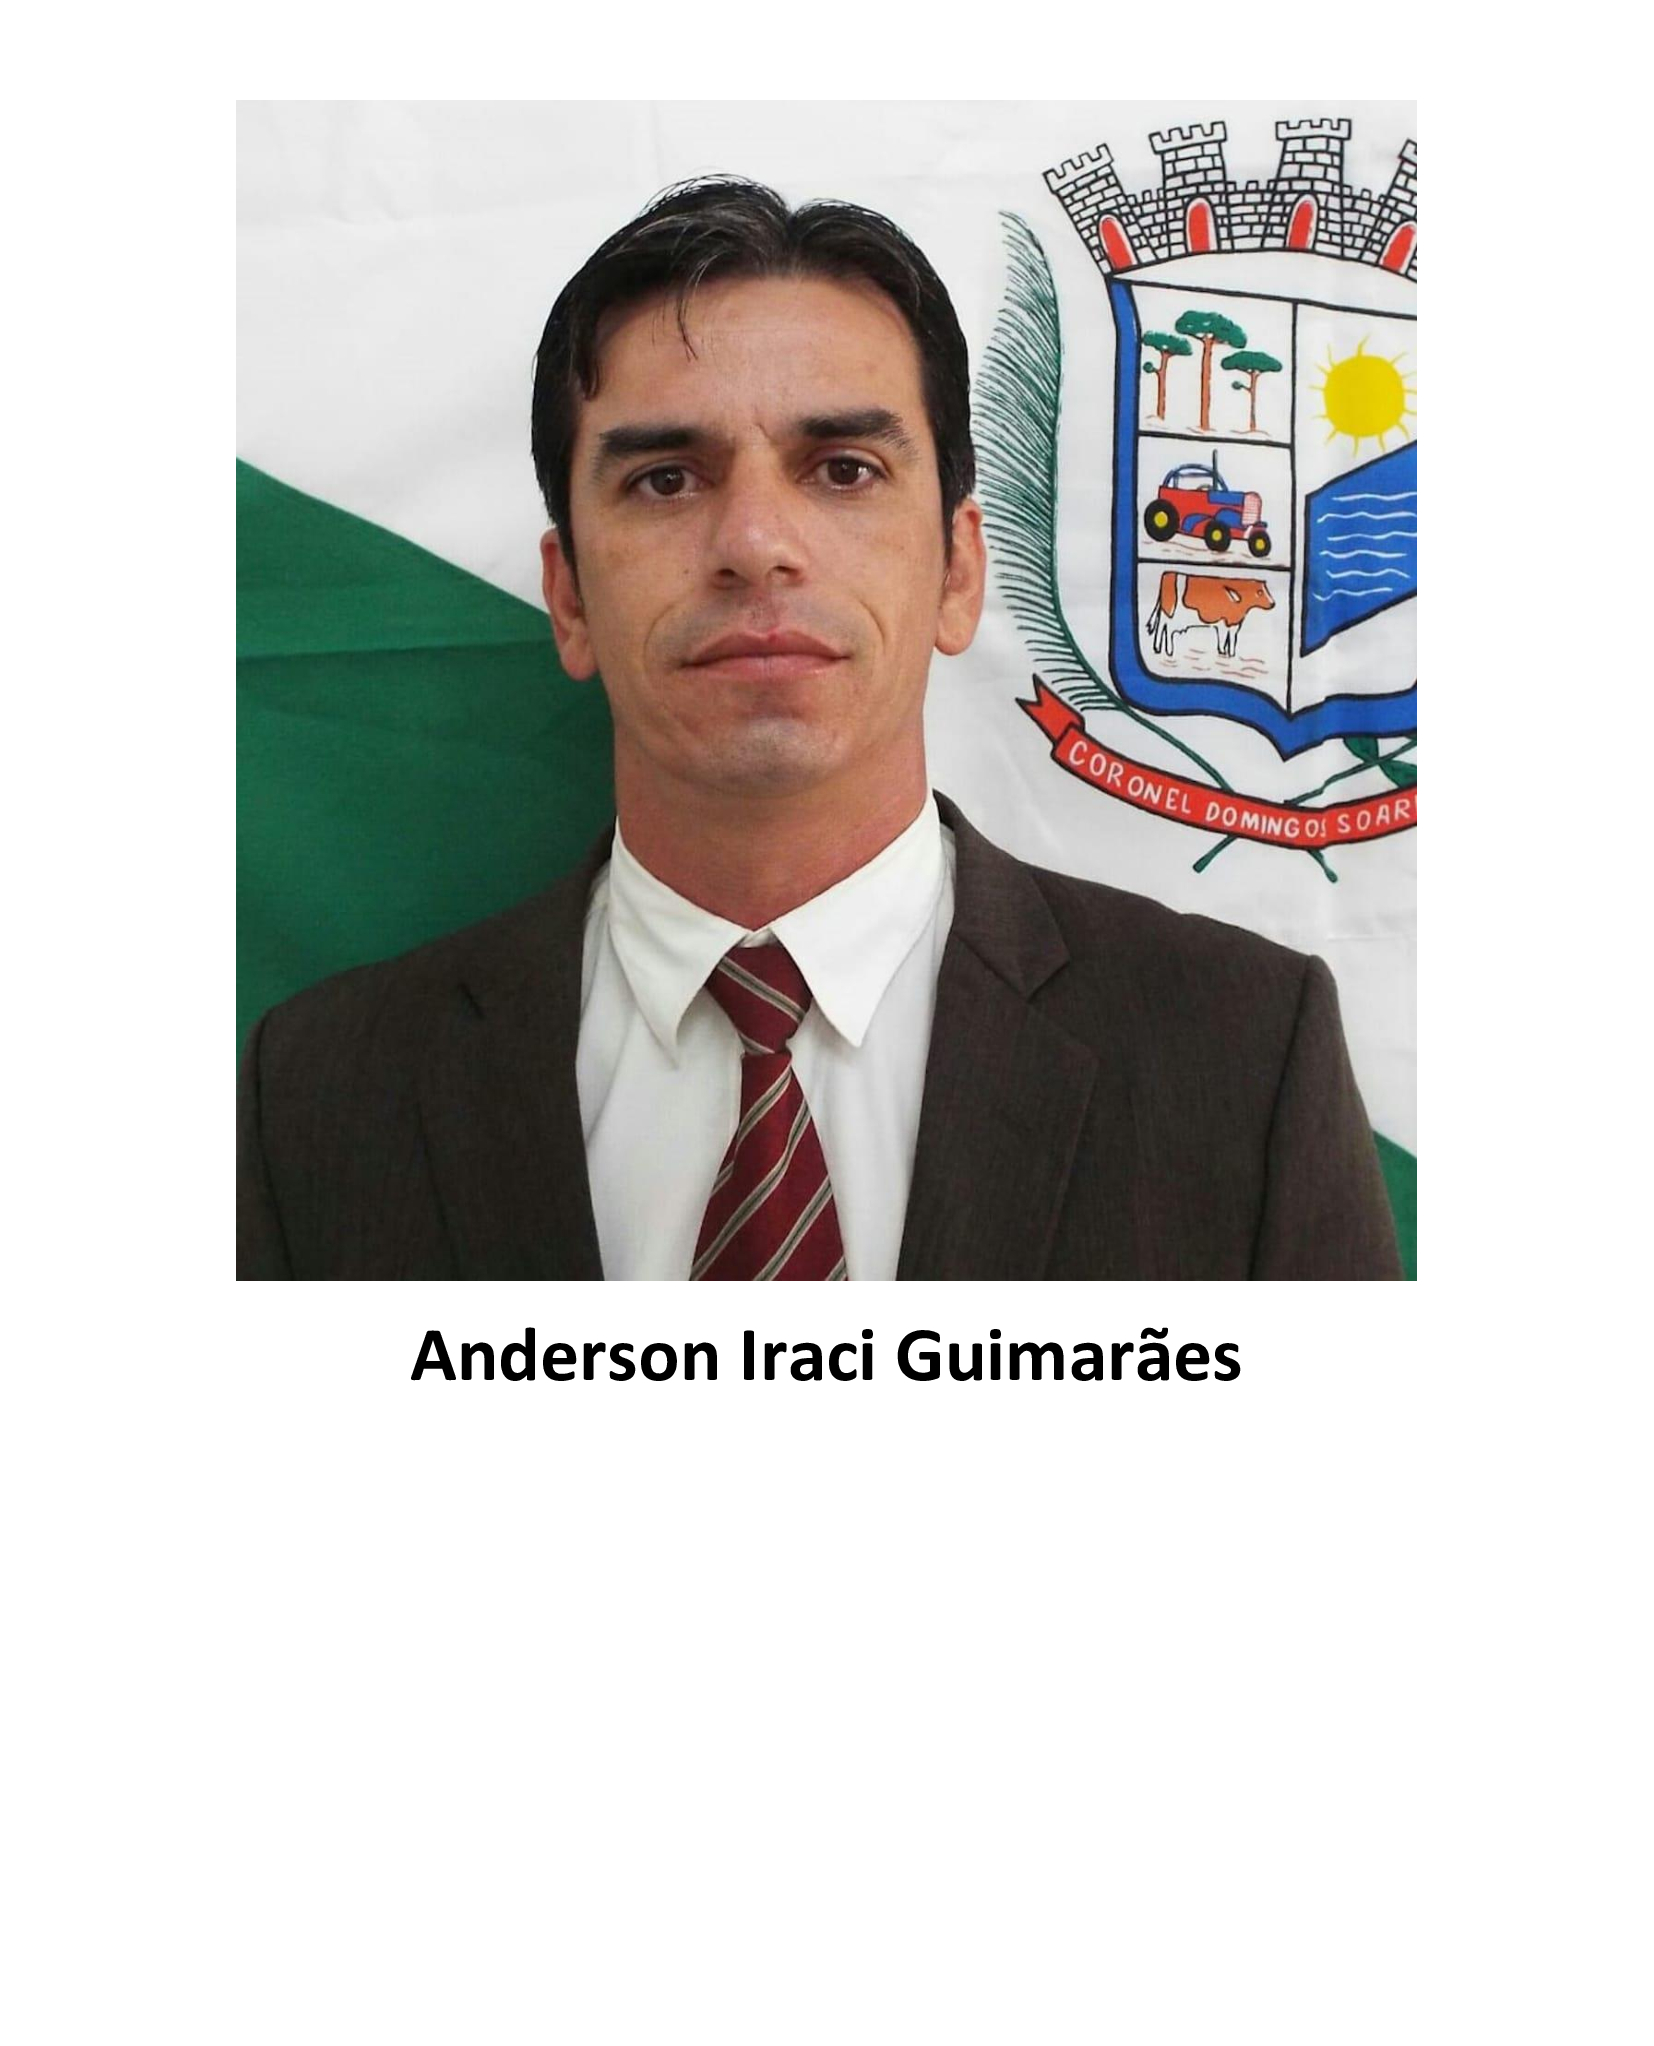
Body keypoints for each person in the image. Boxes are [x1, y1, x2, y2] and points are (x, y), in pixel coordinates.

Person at [237, 178, 1400, 1280]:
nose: (755, 542)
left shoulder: (1242, 1057)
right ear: (570, 597)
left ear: (957, 571)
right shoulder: (320, 1090)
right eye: (665, 480)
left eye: (842, 469)